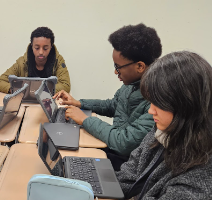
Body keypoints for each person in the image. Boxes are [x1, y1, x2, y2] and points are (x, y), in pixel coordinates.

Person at [116, 51, 212, 200]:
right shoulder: (166, 129)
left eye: (158, 103)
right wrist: (94, 187)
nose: (151, 111)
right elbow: (130, 173)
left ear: (185, 104)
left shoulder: (210, 166)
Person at [54, 23, 162, 170]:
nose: (116, 72)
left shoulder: (157, 100)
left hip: (126, 164)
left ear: (140, 66)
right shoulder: (131, 85)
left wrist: (85, 119)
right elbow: (112, 105)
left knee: (68, 164)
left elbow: (124, 142)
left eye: (118, 67)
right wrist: (79, 103)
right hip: (114, 151)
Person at [0, 27, 70, 94]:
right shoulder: (22, 62)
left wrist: (37, 91)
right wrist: (16, 89)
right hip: (26, 102)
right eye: (37, 48)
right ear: (32, 46)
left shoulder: (58, 61)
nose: (41, 52)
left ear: (51, 47)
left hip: (48, 102)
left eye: (45, 48)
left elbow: (65, 85)